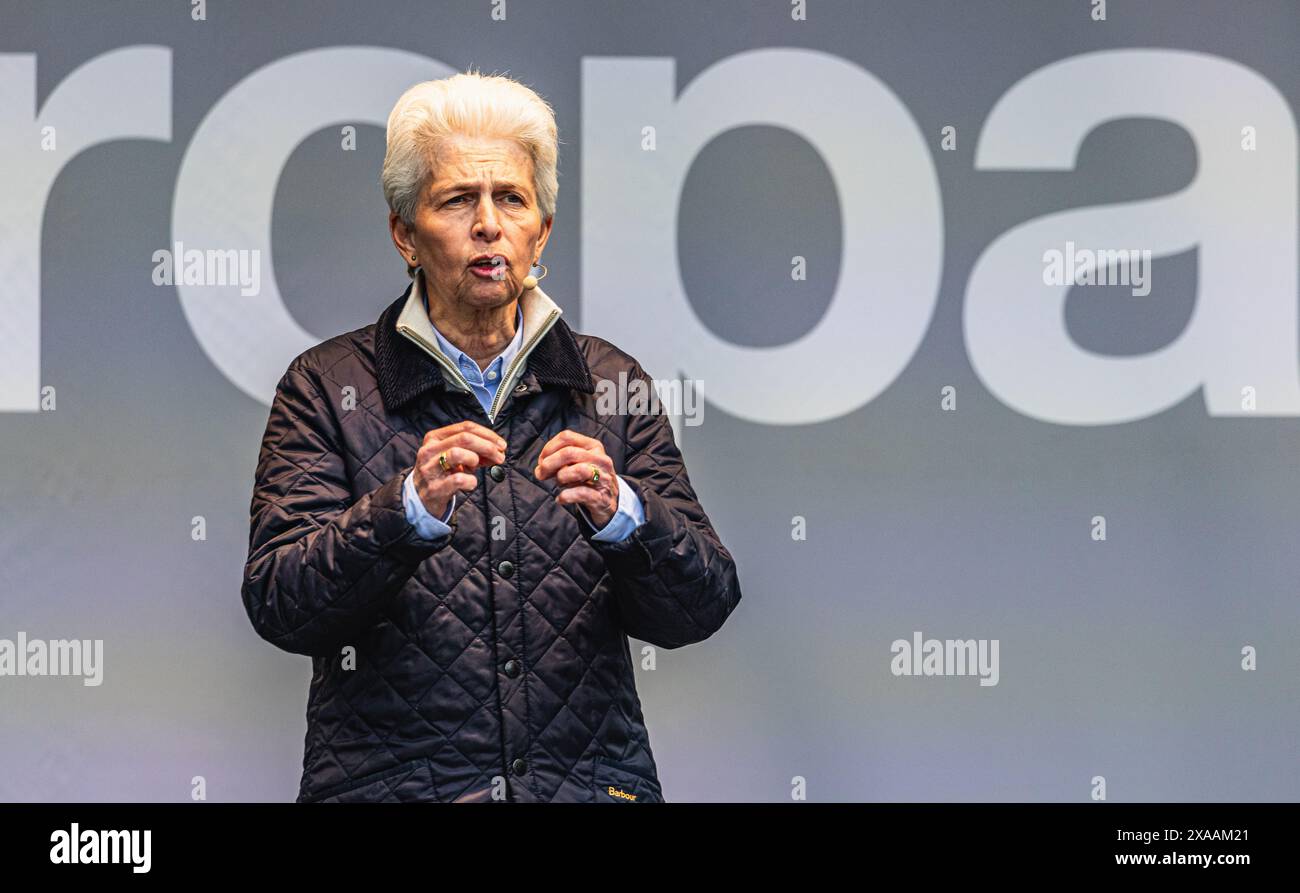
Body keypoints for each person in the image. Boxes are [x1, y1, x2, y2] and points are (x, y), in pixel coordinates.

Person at [240, 69, 742, 802]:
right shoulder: (324, 384)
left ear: (542, 232)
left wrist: (626, 516)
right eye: (456, 200)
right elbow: (280, 602)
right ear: (403, 233)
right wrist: (403, 510)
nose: (487, 223)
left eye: (511, 198)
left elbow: (703, 603)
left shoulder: (609, 382)